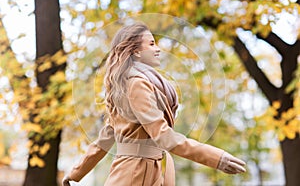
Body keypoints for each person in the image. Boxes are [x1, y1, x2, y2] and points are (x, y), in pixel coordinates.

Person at [62, 22, 246, 186]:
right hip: (136, 174)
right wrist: (216, 158)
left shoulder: (131, 83)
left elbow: (105, 138)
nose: (158, 49)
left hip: (145, 171)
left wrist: (75, 173)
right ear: (136, 51)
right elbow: (163, 136)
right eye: (151, 44)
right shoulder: (136, 84)